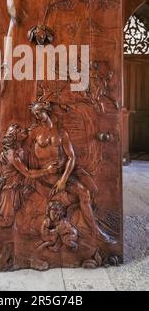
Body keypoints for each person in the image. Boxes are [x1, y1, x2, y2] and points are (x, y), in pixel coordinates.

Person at [28, 100, 115, 243]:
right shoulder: (35, 133)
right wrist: (44, 171)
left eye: (39, 113)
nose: (37, 116)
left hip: (64, 175)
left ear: (46, 111)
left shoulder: (61, 132)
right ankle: (96, 233)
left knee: (91, 189)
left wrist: (63, 179)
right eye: (35, 114)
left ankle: (94, 223)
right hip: (47, 176)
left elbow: (71, 157)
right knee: (84, 193)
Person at [0, 123, 58, 240]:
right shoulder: (12, 155)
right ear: (15, 136)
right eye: (20, 130)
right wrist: (47, 170)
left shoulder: (17, 150)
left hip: (16, 188)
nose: (24, 129)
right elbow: (28, 173)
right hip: (9, 191)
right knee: (6, 221)